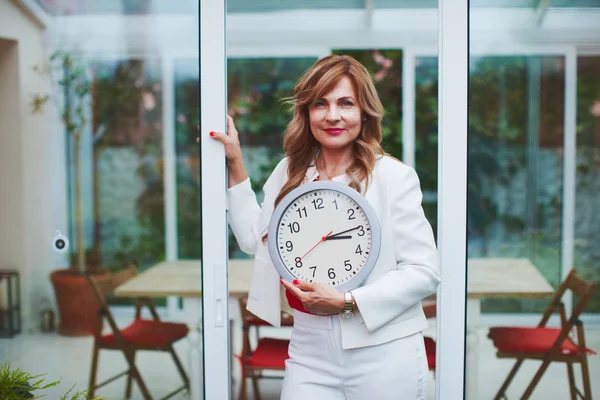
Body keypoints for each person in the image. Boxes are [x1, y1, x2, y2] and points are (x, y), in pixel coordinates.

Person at [210, 54, 440, 400]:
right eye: (320, 104)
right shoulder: (290, 173)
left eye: (345, 103)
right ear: (306, 112)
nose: (333, 115)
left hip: (386, 355)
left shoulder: (394, 177)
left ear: (364, 111)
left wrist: (348, 302)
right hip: (308, 353)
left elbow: (424, 271)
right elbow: (253, 240)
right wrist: (235, 161)